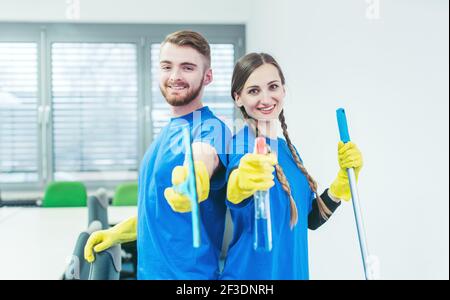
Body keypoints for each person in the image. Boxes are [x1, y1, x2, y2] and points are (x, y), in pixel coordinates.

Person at [84, 31, 231, 279]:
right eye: (167, 66)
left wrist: (195, 178)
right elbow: (160, 214)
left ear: (208, 76)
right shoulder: (165, 134)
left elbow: (205, 156)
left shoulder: (210, 128)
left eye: (187, 67)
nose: (175, 76)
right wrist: (117, 232)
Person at [220, 53, 363, 279]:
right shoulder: (243, 145)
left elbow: (311, 220)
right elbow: (235, 190)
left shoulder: (289, 150)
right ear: (238, 98)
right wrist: (240, 183)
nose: (266, 99)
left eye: (273, 87)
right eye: (253, 90)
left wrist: (340, 185)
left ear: (283, 91)